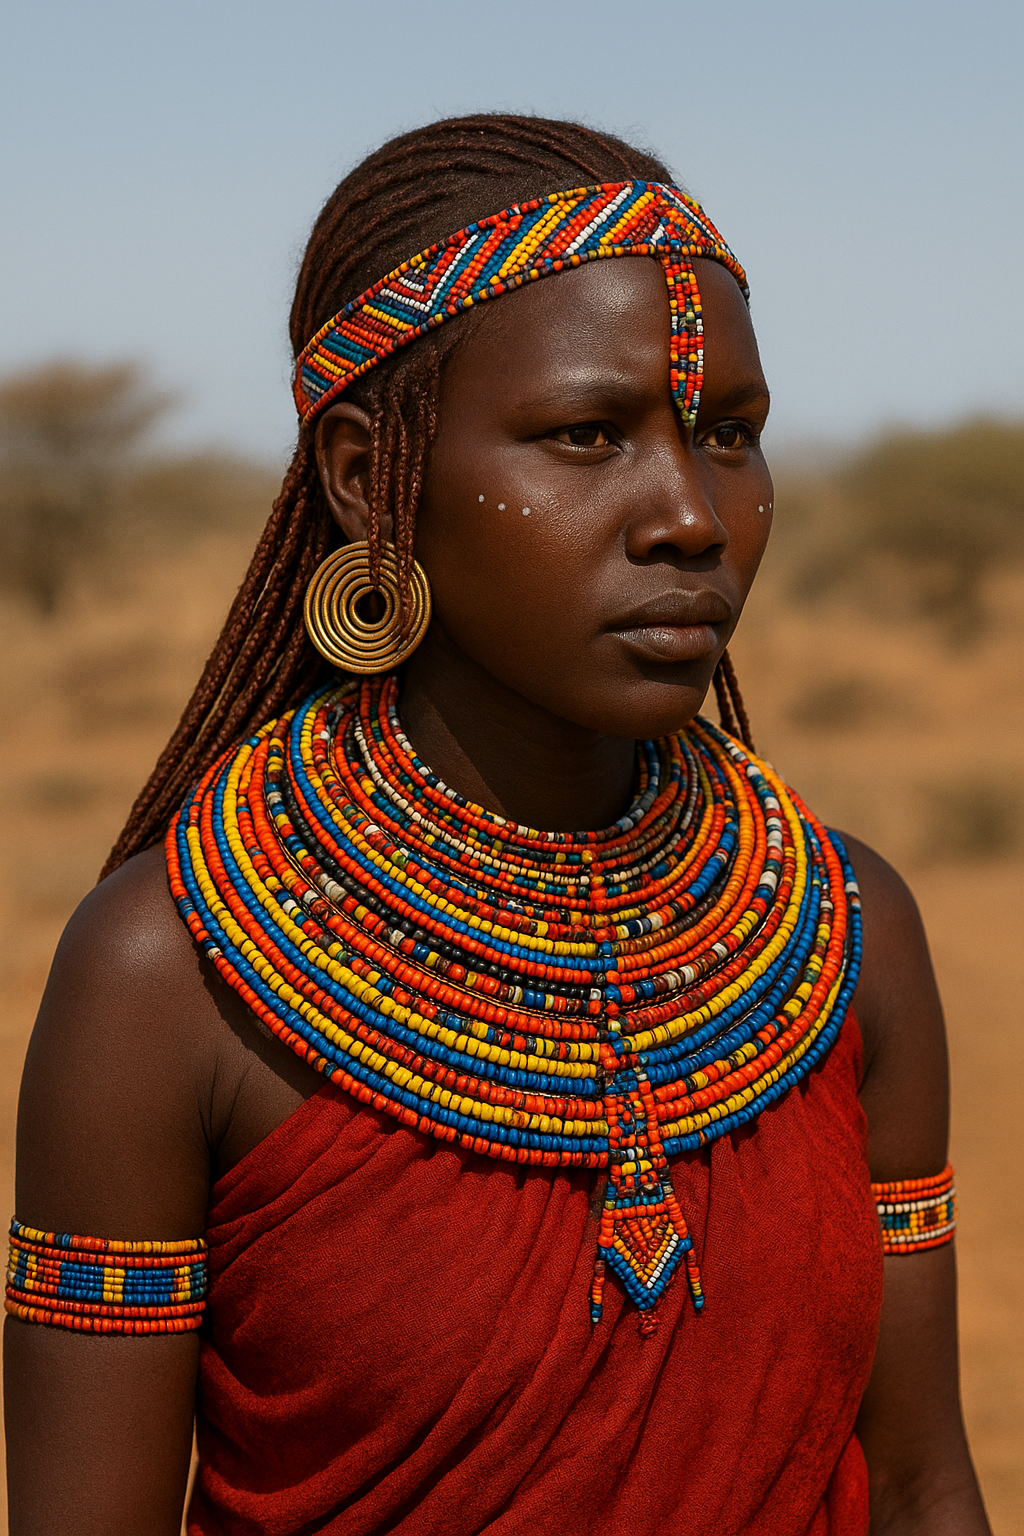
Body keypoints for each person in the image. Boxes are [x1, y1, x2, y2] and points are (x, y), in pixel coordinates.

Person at [4, 114, 991, 1536]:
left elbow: (918, 1486)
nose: (693, 517)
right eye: (588, 435)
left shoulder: (843, 929)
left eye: (729, 436)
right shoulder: (169, 980)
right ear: (364, 475)